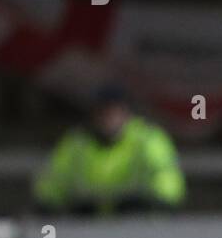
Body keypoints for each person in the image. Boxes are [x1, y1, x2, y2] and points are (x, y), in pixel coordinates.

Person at [33, 84, 186, 216]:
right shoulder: (76, 143)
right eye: (103, 112)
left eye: (114, 112)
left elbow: (166, 177)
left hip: (137, 225)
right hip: (86, 224)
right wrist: (48, 203)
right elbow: (55, 179)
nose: (108, 119)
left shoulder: (146, 140)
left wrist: (153, 203)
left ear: (127, 112)